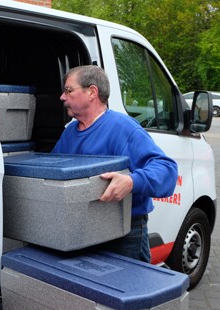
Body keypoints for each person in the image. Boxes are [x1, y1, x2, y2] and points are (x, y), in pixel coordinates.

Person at [52, 65, 178, 263]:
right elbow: (52, 172)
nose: (62, 97)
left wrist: (131, 182)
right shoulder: (69, 133)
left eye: (68, 90)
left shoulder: (124, 129)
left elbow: (167, 170)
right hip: (84, 232)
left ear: (92, 92)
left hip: (125, 235)